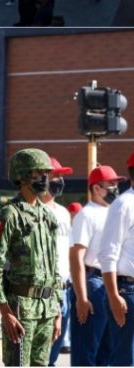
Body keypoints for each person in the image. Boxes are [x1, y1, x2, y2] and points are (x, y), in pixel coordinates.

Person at [0, 148, 62, 367]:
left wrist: (57, 310)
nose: (45, 179)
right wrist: (5, 311)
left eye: (46, 173)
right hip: (21, 309)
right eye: (38, 174)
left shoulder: (48, 217)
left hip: (47, 307)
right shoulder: (10, 215)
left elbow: (54, 266)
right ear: (23, 176)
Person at [69, 164, 121, 367]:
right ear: (96, 188)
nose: (115, 188)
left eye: (116, 184)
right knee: (86, 353)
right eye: (111, 184)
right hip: (93, 284)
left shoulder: (115, 212)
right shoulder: (87, 215)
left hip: (111, 284)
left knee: (107, 351)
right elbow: (76, 257)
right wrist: (82, 297)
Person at [100, 152, 134, 368]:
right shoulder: (123, 204)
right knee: (125, 360)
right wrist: (113, 295)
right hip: (127, 292)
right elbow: (108, 254)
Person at [42, 158, 74, 367]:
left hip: (65, 288)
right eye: (56, 176)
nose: (60, 181)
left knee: (54, 352)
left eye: (62, 177)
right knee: (40, 354)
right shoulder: (32, 210)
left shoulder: (62, 212)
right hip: (45, 290)